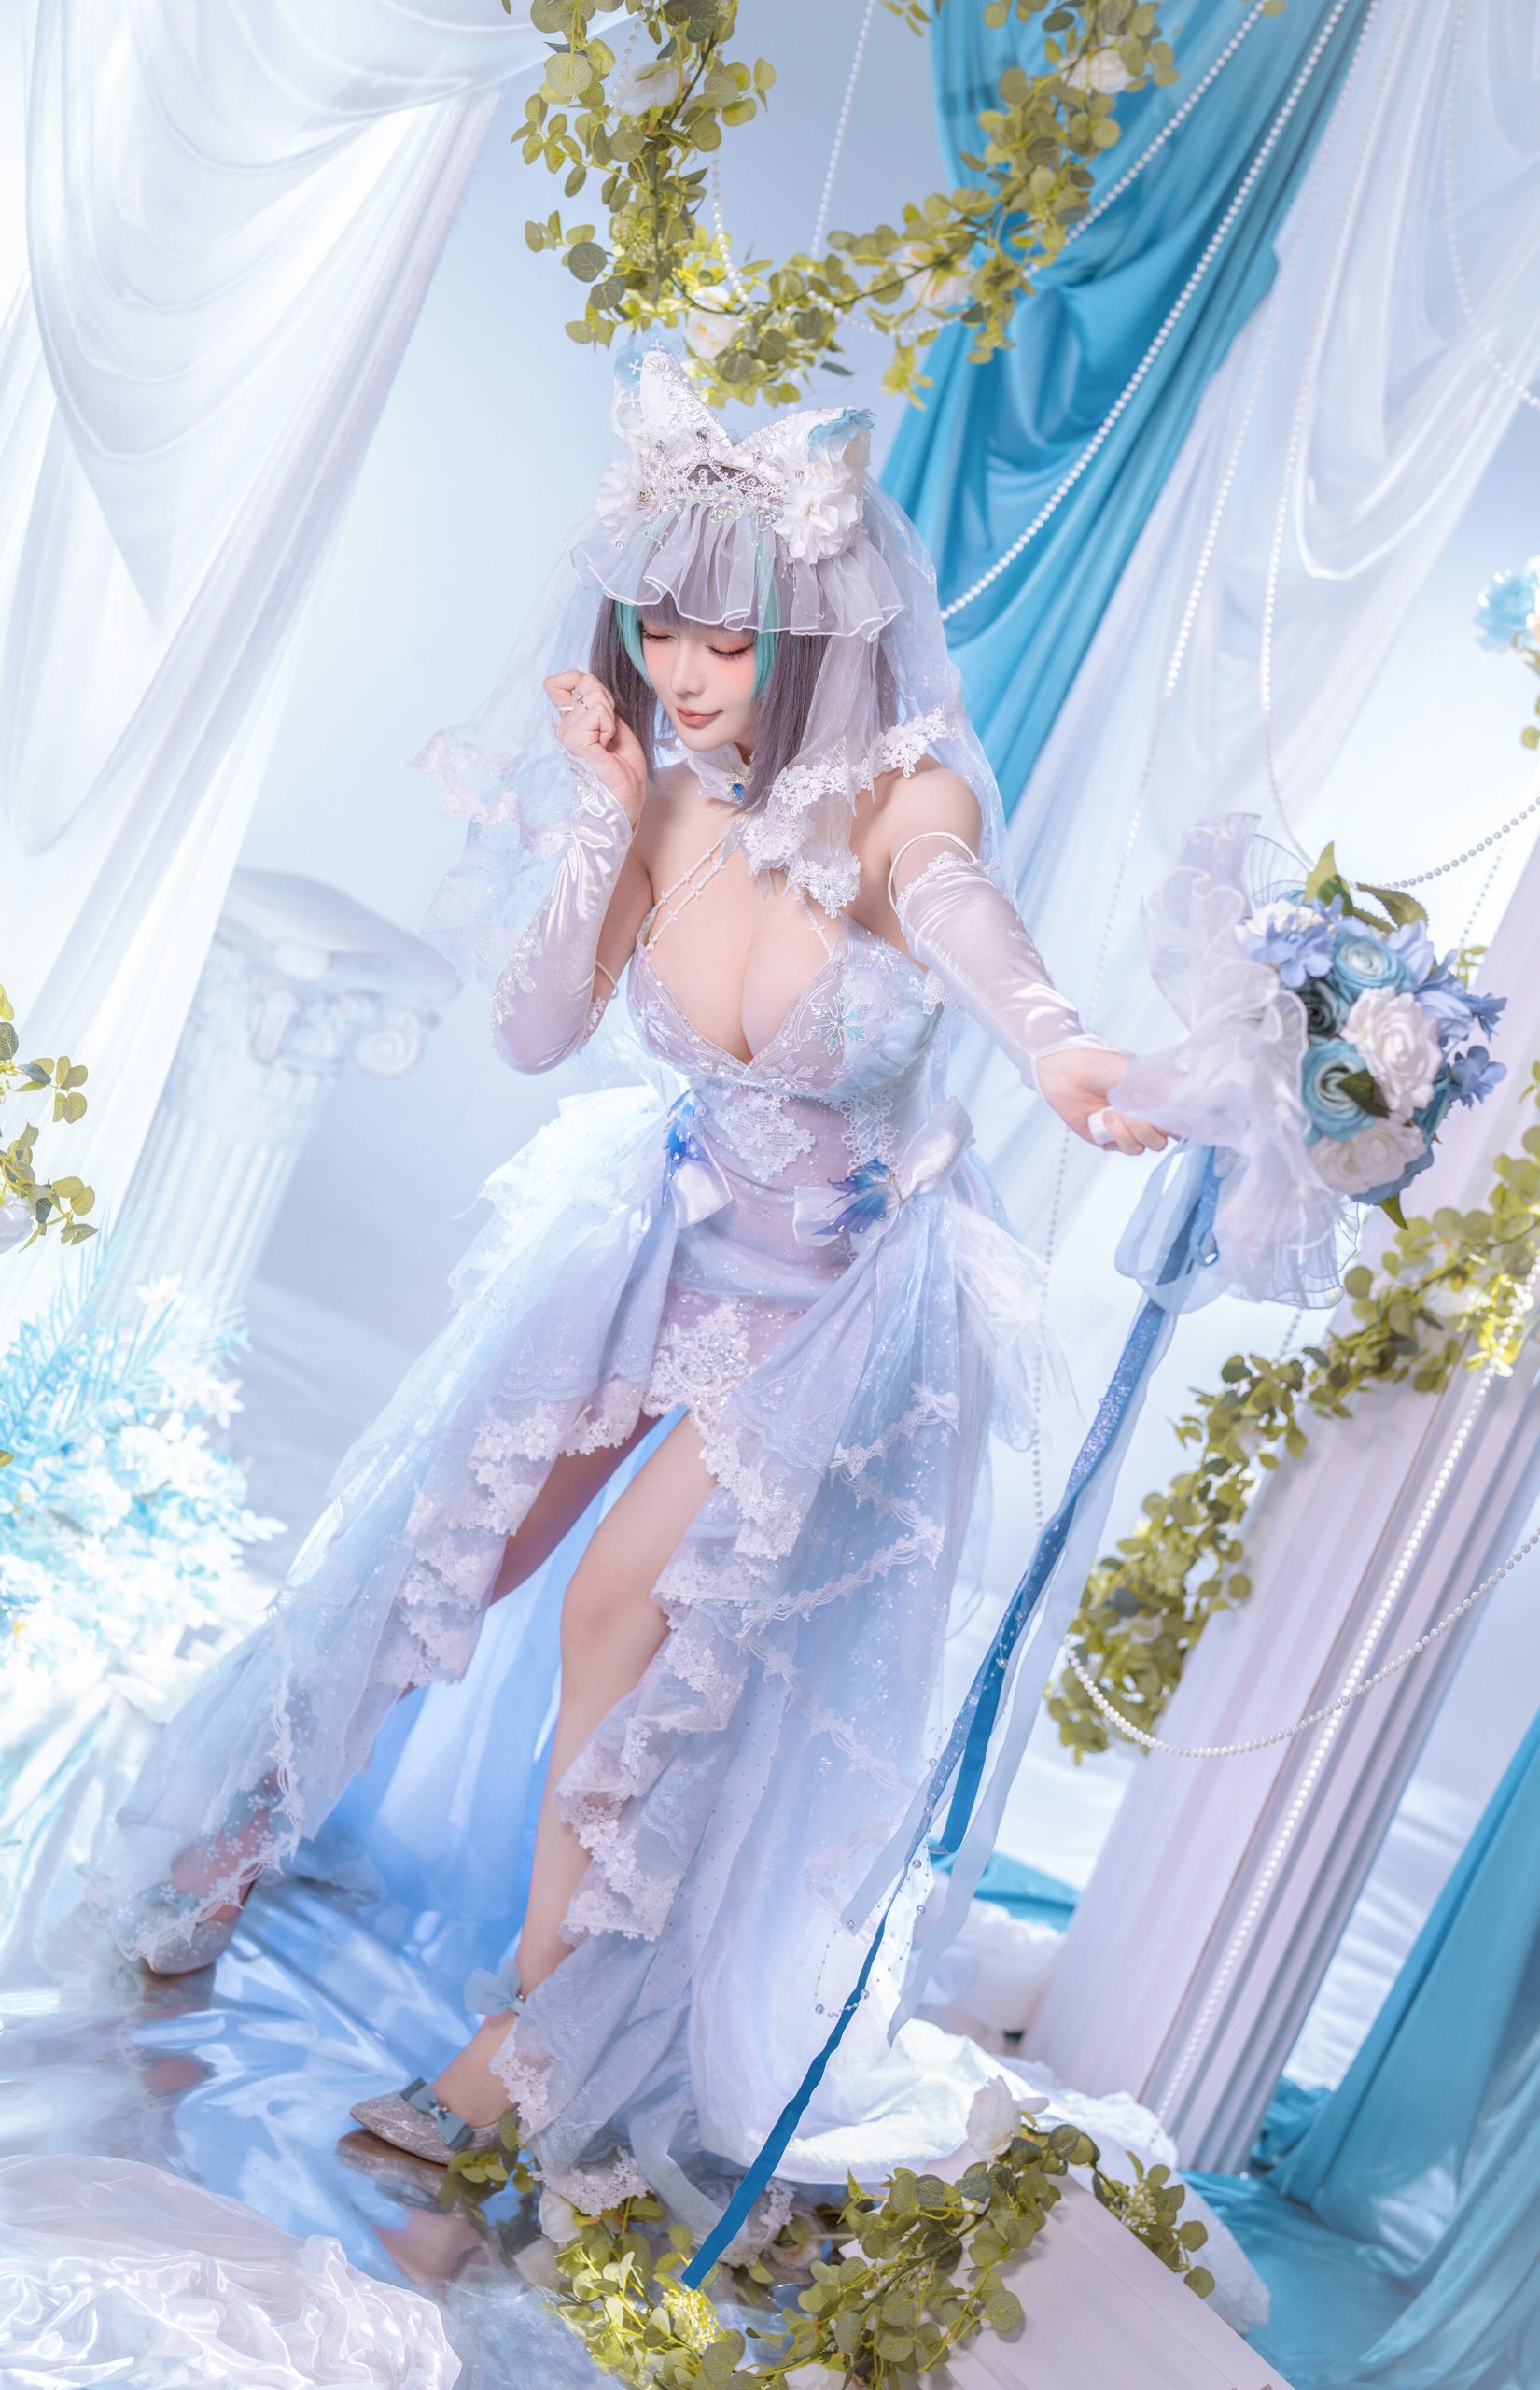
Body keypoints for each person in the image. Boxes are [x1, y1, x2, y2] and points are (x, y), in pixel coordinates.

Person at [91, 351, 1168, 2230]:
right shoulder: (662, 797)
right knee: (452, 1537)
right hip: (660, 1235)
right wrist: (602, 810)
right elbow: (531, 1030)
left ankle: (528, 2053)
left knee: (622, 1609)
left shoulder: (904, 799)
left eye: (723, 638)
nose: (681, 669)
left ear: (813, 636)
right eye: (658, 627)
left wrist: (1062, 1046)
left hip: (830, 1301)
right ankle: (240, 1829)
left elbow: (960, 916)